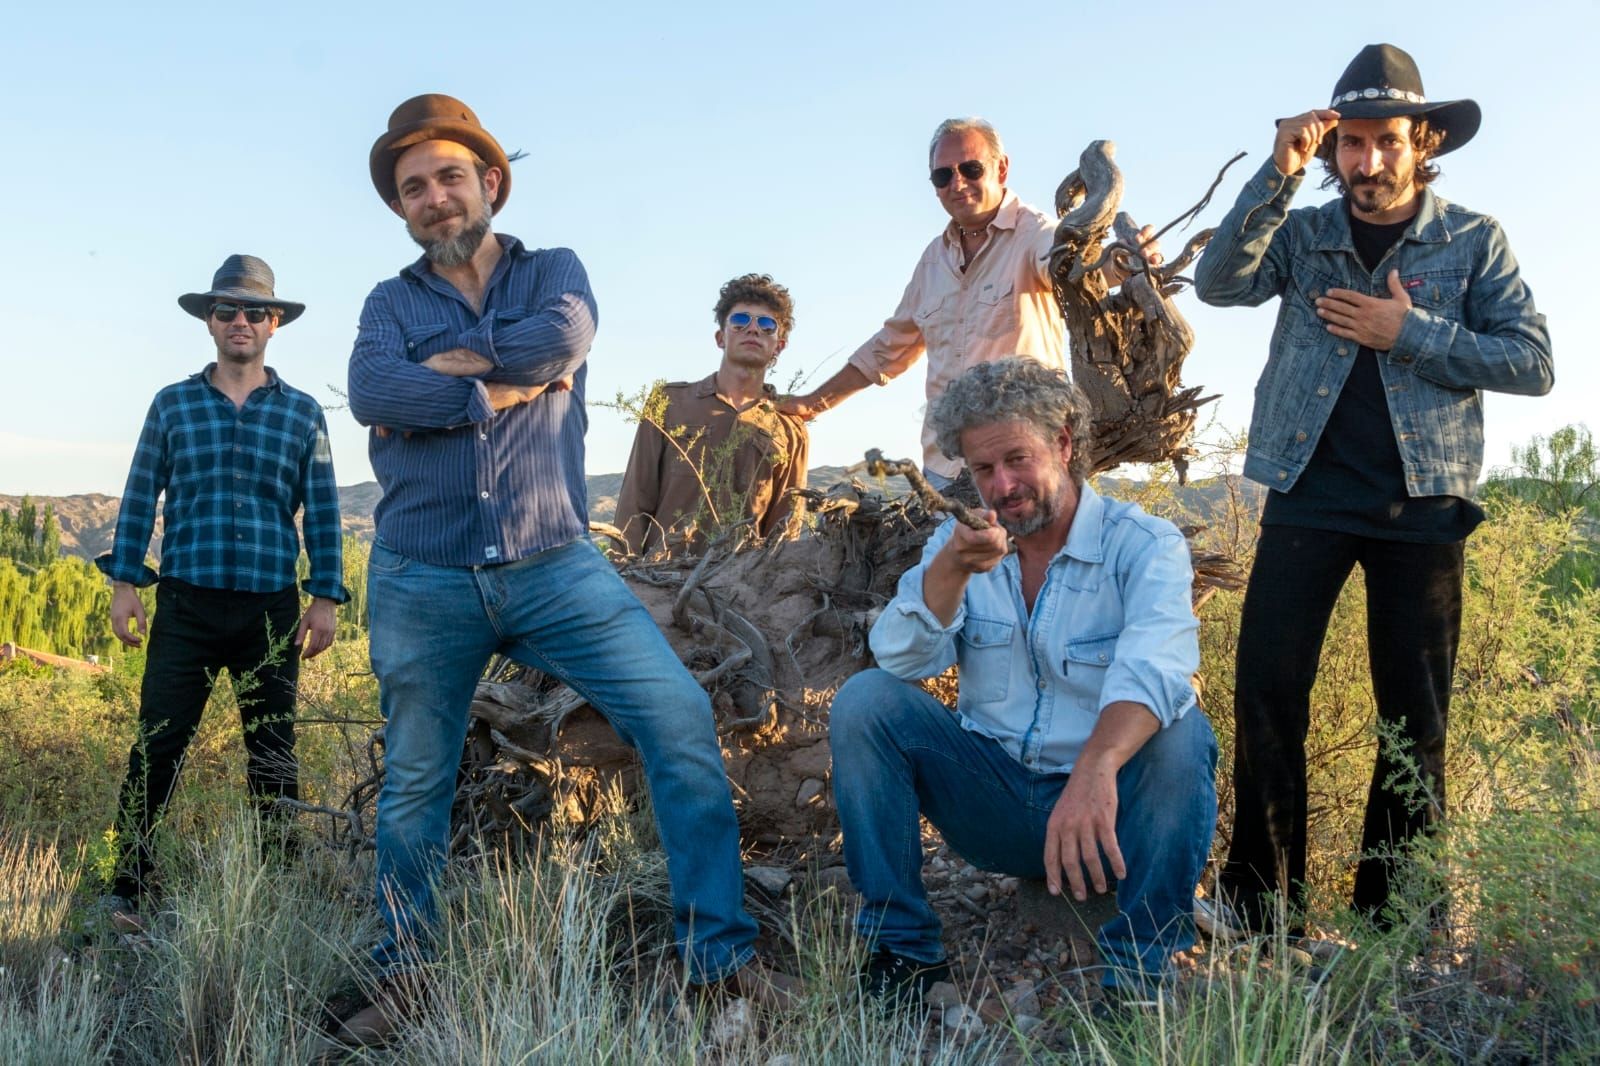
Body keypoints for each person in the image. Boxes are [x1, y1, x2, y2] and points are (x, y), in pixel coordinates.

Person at [337, 94, 789, 1044]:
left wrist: (443, 377)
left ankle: (718, 958)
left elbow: (562, 340)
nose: (434, 197)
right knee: (415, 781)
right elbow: (373, 389)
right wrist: (495, 390)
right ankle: (405, 973)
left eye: (449, 176)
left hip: (554, 563)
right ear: (401, 207)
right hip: (424, 574)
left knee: (677, 718)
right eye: (413, 188)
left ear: (490, 182)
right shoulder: (388, 304)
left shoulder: (556, 272)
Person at [1194, 44, 1553, 932]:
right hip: (1308, 493)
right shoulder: (1305, 233)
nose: (1368, 160)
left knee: (1413, 721)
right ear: (1333, 151)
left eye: (1386, 140)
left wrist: (1410, 331)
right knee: (1267, 693)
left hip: (1424, 508)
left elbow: (1533, 362)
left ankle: (1396, 923)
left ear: (1421, 141)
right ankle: (1260, 906)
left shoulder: (1472, 239)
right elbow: (1219, 283)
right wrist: (1277, 175)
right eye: (1350, 143)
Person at [829, 357, 1217, 1008]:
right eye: (983, 469)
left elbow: (1156, 668)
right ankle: (902, 954)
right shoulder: (960, 543)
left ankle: (1140, 977)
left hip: (1108, 813)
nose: (1002, 485)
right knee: (865, 703)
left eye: (1017, 459)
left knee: (1183, 732)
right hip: (997, 804)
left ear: (1063, 442)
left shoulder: (1143, 544)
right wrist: (952, 568)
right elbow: (898, 660)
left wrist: (1096, 767)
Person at [97, 254, 347, 929]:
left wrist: (325, 597)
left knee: (272, 749)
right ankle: (125, 888)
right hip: (186, 604)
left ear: (274, 324)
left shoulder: (302, 414)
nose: (241, 320)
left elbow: (323, 511)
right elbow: (140, 494)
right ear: (209, 321)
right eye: (227, 309)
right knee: (157, 745)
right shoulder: (172, 405)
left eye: (254, 311)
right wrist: (126, 583)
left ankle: (278, 888)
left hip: (271, 608)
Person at [781, 117, 1158, 486]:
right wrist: (813, 403)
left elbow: (1077, 269)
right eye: (942, 175)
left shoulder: (1036, 234)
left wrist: (1124, 262)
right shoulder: (933, 260)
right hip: (944, 470)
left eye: (971, 169)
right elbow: (887, 350)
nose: (957, 183)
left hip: (1024, 464)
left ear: (1001, 169)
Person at [614, 273, 809, 555]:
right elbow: (634, 500)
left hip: (742, 578)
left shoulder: (789, 427)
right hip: (661, 573)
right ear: (721, 337)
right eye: (740, 321)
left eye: (767, 325)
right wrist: (621, 570)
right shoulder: (669, 402)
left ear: (779, 345)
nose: (753, 330)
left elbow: (785, 529)